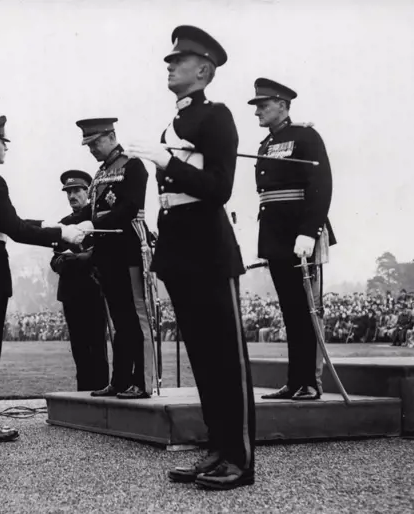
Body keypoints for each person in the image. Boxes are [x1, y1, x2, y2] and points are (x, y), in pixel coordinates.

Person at [125, 25, 255, 491]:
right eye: (169, 60)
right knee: (202, 357)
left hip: (209, 247)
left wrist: (167, 162)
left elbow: (219, 189)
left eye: (178, 60)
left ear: (203, 70)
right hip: (178, 247)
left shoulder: (216, 117)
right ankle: (217, 450)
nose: (169, 65)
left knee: (226, 359)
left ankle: (239, 459)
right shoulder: (172, 123)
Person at [0, 114, 84, 443]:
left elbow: (7, 219)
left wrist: (51, 225)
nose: (5, 148)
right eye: (3, 142)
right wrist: (62, 234)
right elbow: (13, 229)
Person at [248, 78, 336, 401]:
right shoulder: (265, 145)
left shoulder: (305, 136)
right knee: (290, 310)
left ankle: (311, 382)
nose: (257, 110)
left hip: (301, 235)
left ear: (283, 105)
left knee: (309, 310)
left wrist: (309, 231)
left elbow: (321, 184)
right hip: (275, 235)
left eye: (263, 105)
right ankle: (294, 380)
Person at [73, 117, 155, 400]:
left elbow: (130, 206)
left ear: (111, 136)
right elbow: (91, 211)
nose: (92, 149)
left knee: (136, 317)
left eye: (95, 142)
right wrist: (62, 225)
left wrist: (93, 227)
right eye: (89, 144)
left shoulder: (132, 165)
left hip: (128, 248)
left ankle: (143, 382)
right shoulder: (100, 173)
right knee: (119, 320)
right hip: (107, 253)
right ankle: (120, 380)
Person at [49, 170, 109, 392]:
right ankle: (83, 394)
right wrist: (63, 262)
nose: (72, 195)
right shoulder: (62, 224)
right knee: (79, 347)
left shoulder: (98, 219)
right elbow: (54, 259)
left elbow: (102, 253)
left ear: (88, 192)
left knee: (96, 344)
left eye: (76, 191)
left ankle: (102, 392)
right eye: (69, 192)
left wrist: (77, 258)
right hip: (70, 291)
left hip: (94, 288)